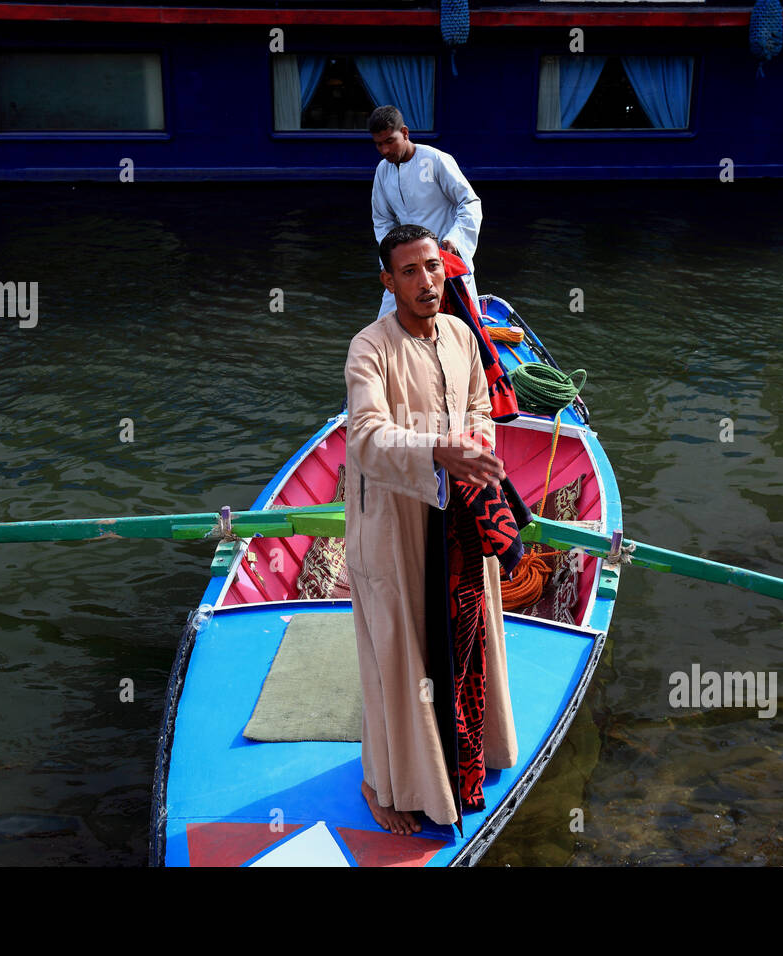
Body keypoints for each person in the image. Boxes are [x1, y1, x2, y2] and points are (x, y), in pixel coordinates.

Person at [344, 224, 518, 835]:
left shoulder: (463, 336)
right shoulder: (369, 348)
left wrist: (469, 446)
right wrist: (439, 450)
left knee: (462, 643)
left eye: (433, 268)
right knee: (398, 656)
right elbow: (364, 435)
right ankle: (383, 783)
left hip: (455, 517)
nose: (426, 281)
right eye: (410, 272)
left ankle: (464, 760)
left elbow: (478, 409)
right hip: (391, 527)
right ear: (387, 283)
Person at [369, 106, 482, 320]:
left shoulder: (436, 160)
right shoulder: (382, 171)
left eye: (389, 141)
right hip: (406, 268)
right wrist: (391, 260)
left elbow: (469, 202)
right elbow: (382, 219)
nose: (384, 150)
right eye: (379, 144)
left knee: (462, 331)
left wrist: (455, 239)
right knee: (385, 327)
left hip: (444, 262)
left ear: (404, 133)